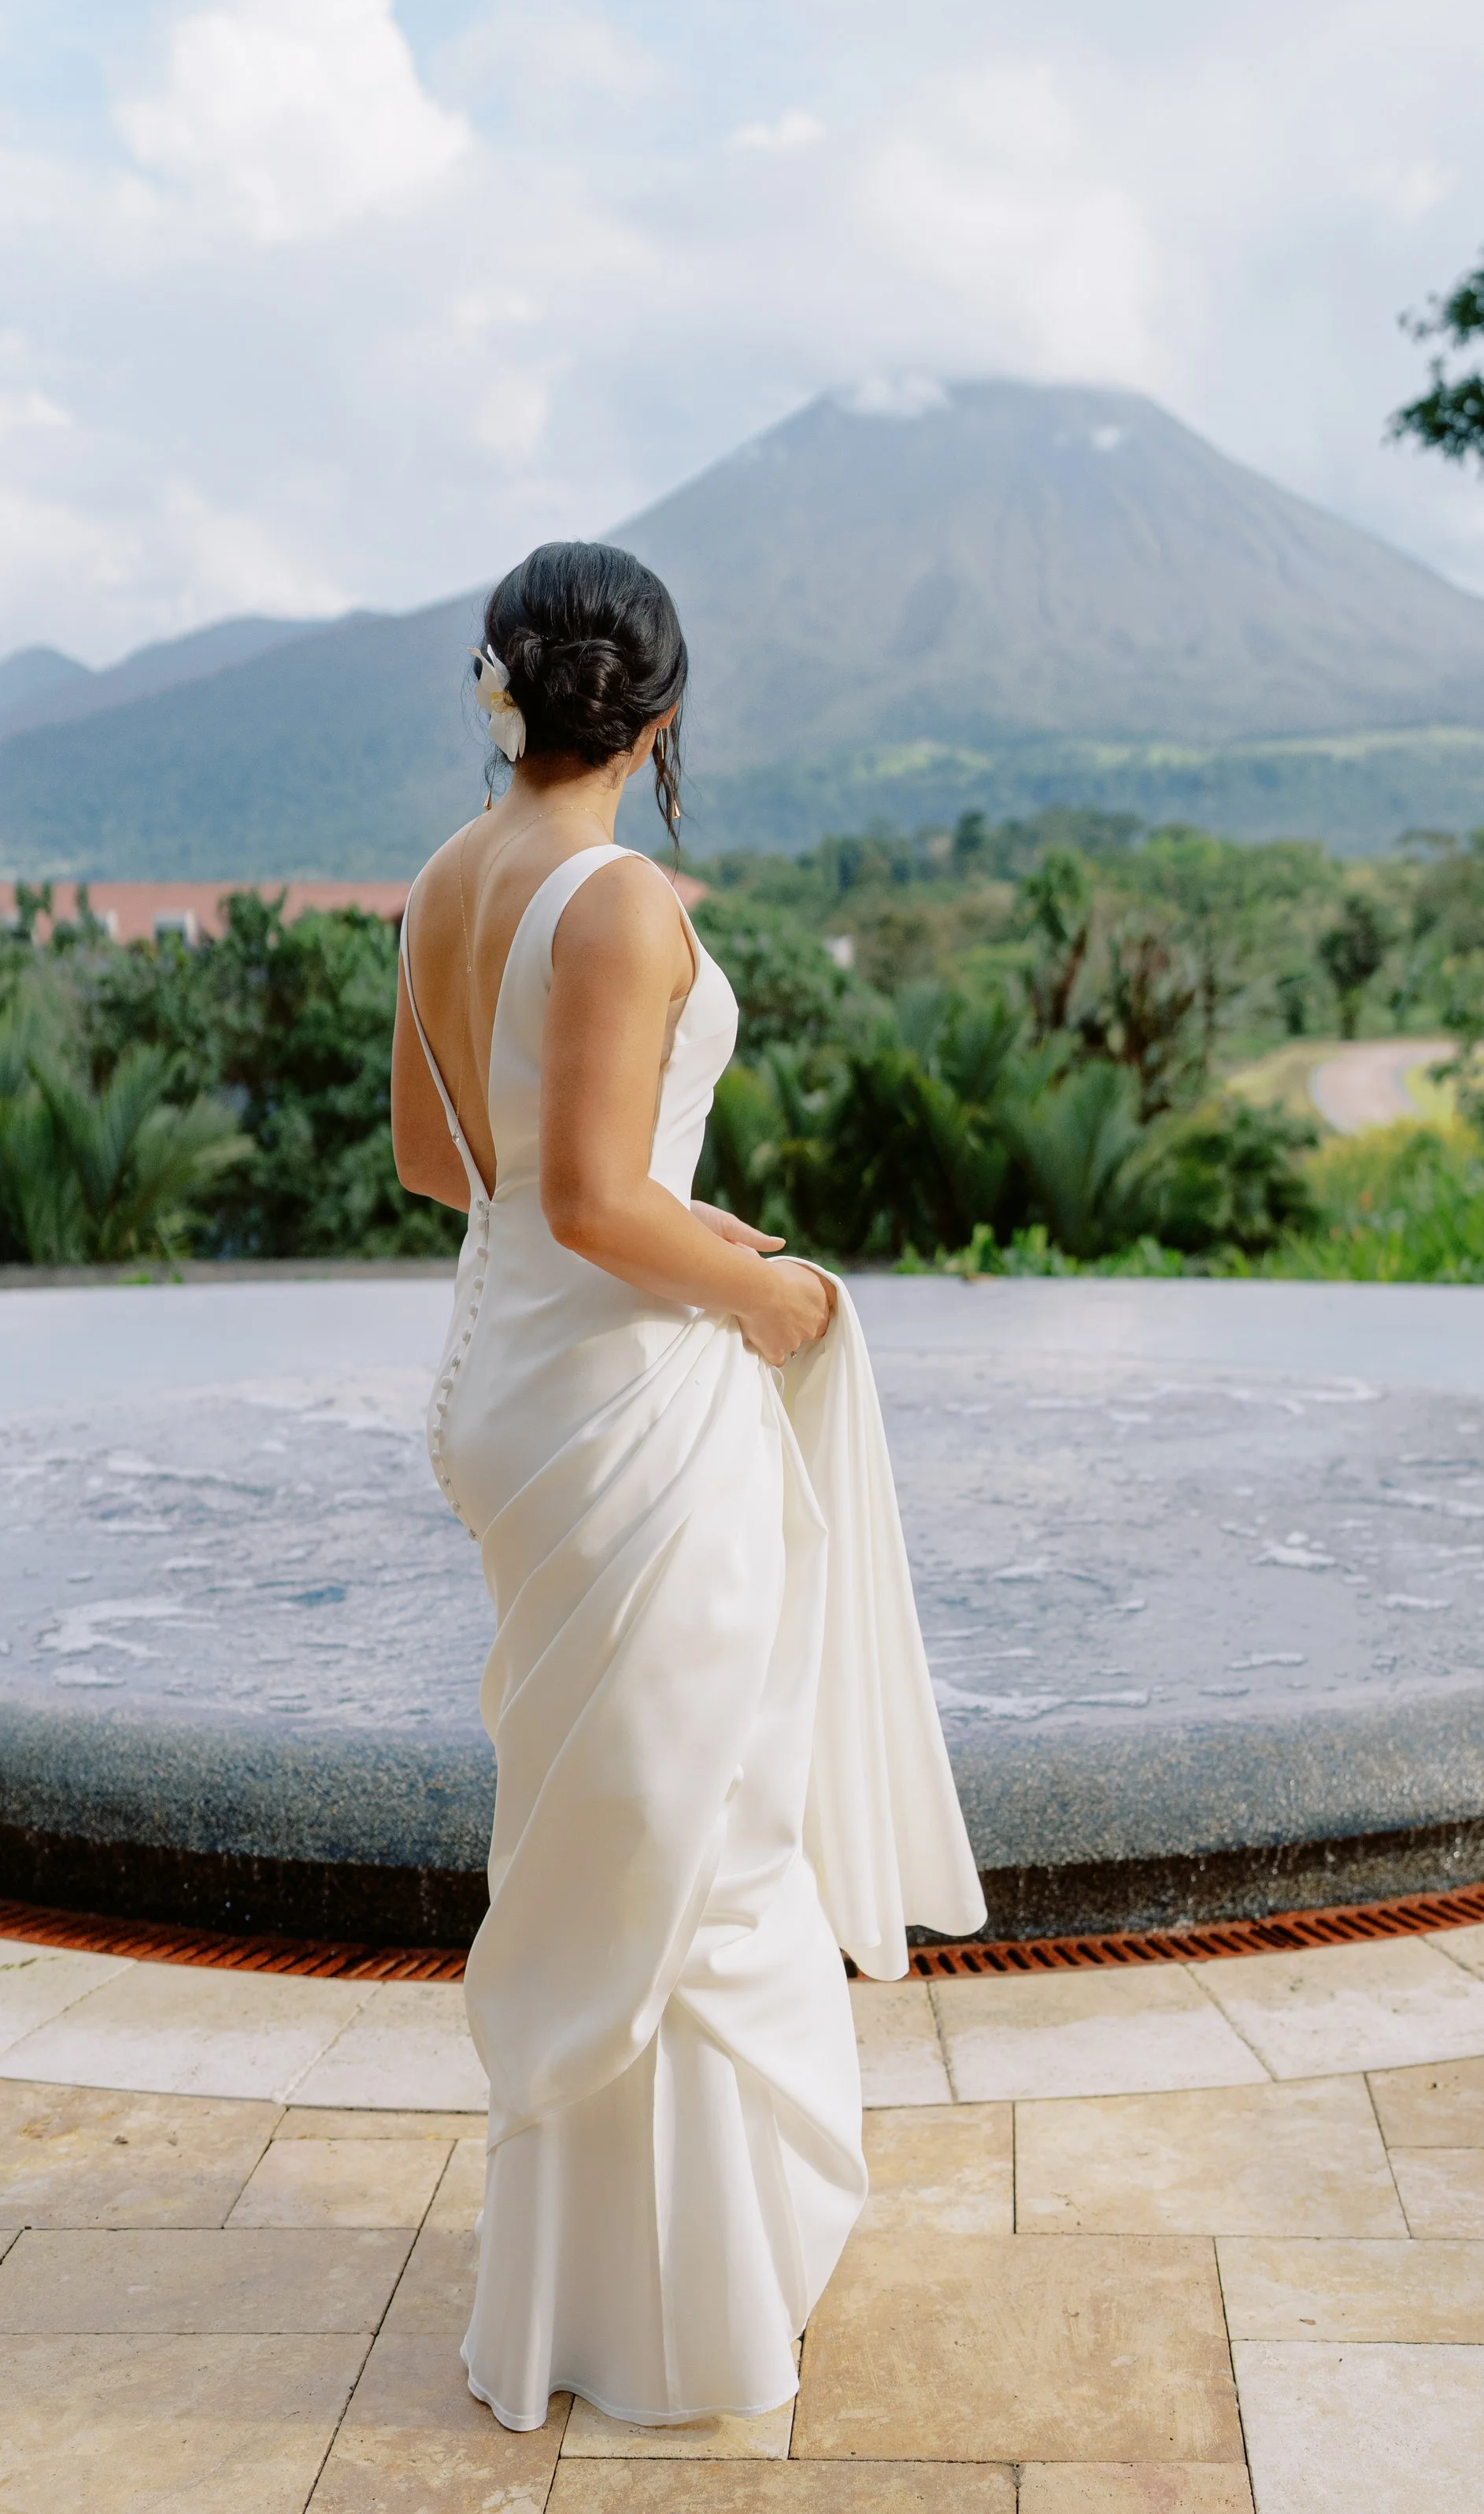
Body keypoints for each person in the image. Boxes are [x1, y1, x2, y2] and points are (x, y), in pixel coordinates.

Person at [391, 540, 983, 2433]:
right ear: (656, 720)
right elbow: (590, 1197)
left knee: (608, 1817)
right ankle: (689, 2327)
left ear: (501, 692)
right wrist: (772, 1294)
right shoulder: (623, 899)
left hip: (504, 1389)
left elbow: (451, 1170)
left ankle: (588, 2302)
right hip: (625, 1402)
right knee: (700, 1823)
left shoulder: (441, 882)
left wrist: (673, 1220)